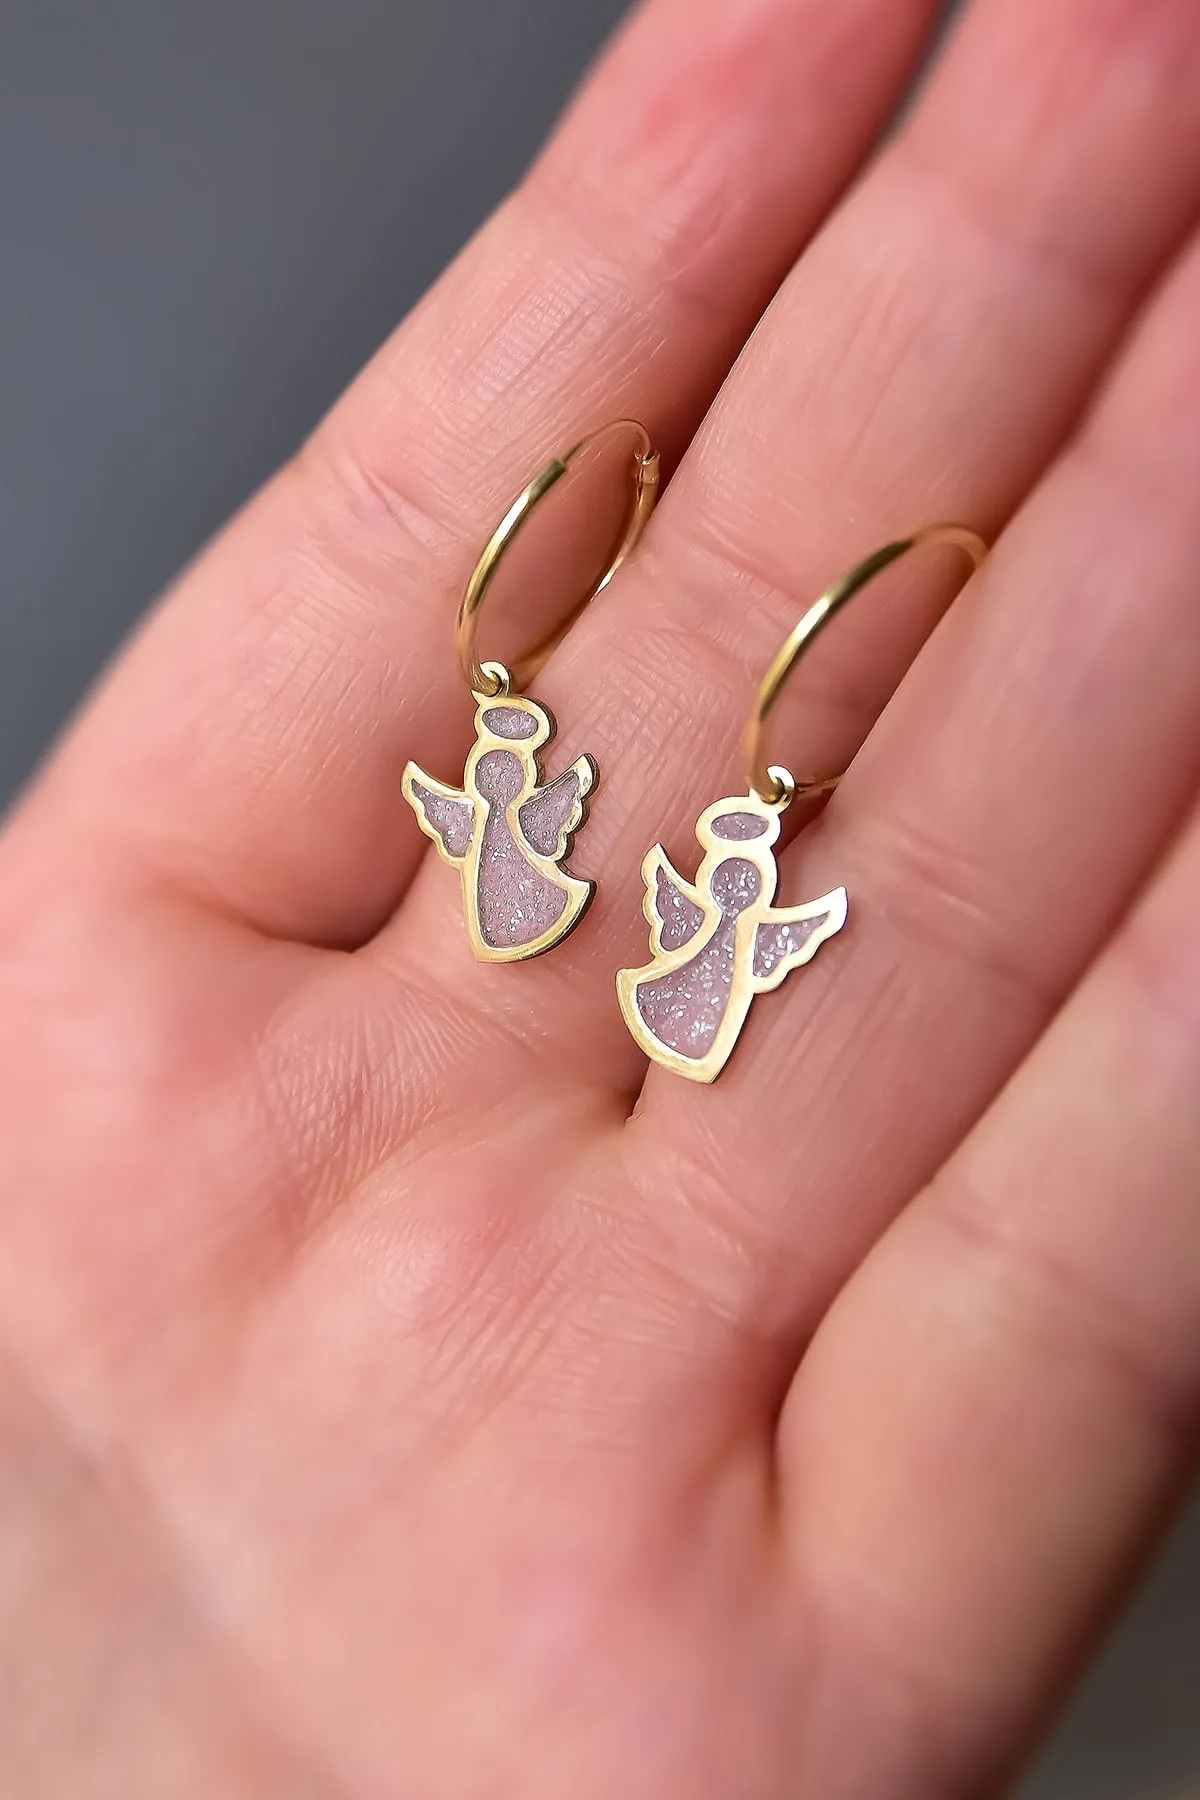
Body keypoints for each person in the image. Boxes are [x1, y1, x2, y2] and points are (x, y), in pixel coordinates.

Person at [2, 0, 1198, 1791]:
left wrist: (726, 869)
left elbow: (756, 909)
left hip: (663, 942)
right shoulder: (556, 796)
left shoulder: (686, 846)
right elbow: (523, 812)